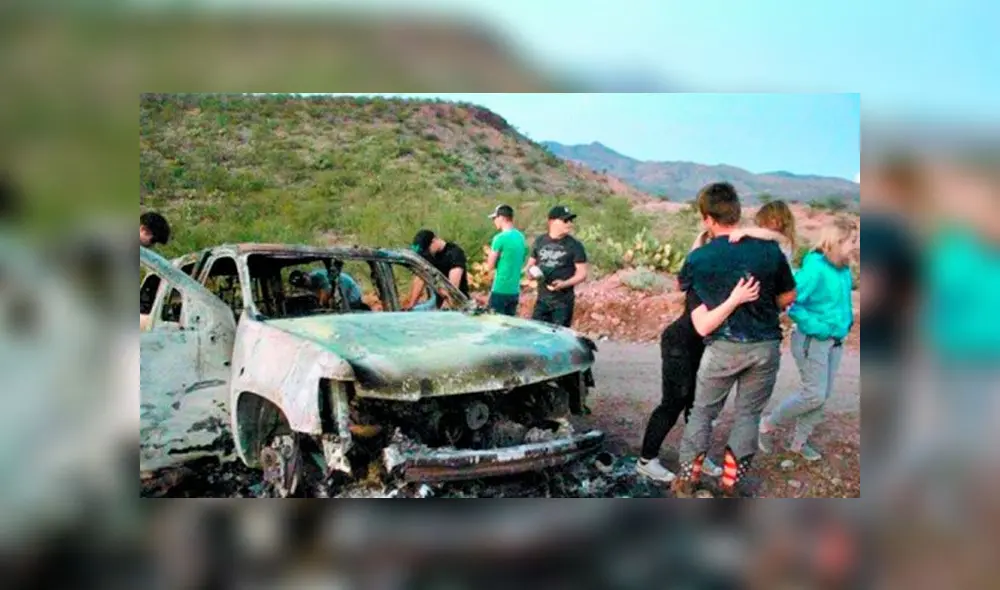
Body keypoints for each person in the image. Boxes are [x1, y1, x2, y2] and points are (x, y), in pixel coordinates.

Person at [672, 182, 798, 497]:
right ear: (737, 212)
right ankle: (731, 484)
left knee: (703, 412)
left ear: (707, 218)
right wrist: (768, 303)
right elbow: (789, 295)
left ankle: (688, 479)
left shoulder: (700, 258)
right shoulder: (768, 250)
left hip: (723, 347)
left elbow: (684, 288)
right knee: (748, 415)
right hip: (765, 346)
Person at [636, 228, 788, 484]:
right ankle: (646, 460)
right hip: (681, 346)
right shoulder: (699, 285)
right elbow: (703, 325)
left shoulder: (719, 280)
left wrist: (747, 231)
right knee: (674, 402)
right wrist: (735, 299)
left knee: (698, 406)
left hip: (705, 348)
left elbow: (780, 239)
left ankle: (697, 456)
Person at [758, 219, 856, 462]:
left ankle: (799, 444)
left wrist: (846, 323)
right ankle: (767, 424)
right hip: (813, 340)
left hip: (835, 341)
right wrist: (818, 328)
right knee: (814, 394)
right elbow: (790, 301)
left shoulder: (843, 267)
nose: (856, 245)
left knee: (822, 396)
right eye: (853, 241)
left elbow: (840, 303)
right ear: (837, 241)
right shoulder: (815, 268)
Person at [526, 205, 588, 327]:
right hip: (542, 300)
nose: (569, 224)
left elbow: (582, 273)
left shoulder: (575, 245)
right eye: (565, 220)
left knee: (559, 340)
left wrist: (564, 284)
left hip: (563, 303)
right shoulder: (540, 241)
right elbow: (530, 264)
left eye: (571, 220)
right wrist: (530, 273)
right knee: (536, 335)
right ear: (552, 222)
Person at [406, 229, 469, 309]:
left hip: (457, 305)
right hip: (439, 303)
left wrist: (444, 310)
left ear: (434, 240)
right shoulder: (430, 255)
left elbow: (453, 286)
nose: (427, 253)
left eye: (428, 249)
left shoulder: (454, 253)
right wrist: (411, 305)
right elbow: (420, 279)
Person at [485, 204, 528, 316]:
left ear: (502, 218)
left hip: (500, 288)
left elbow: (490, 265)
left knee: (494, 324)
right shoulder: (521, 237)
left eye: (495, 218)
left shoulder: (499, 238)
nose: (494, 221)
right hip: (514, 290)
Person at [730, 200, 798, 266]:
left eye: (764, 223)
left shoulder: (784, 240)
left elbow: (769, 234)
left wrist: (743, 231)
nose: (762, 227)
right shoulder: (772, 241)